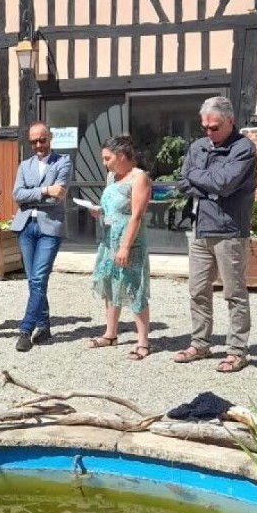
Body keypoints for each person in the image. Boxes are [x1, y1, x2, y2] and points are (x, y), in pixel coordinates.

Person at [174, 95, 257, 374]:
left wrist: (206, 181)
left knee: (234, 293)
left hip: (230, 230)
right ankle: (200, 343)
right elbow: (183, 182)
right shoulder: (198, 147)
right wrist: (209, 186)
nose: (209, 132)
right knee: (197, 290)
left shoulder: (243, 148)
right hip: (201, 229)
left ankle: (237, 350)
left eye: (215, 127)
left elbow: (225, 183)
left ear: (231, 121)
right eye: (205, 127)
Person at [86, 135, 152, 359]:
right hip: (109, 240)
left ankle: (143, 341)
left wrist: (125, 247)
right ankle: (110, 334)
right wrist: (99, 212)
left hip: (130, 242)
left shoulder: (139, 178)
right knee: (109, 284)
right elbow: (112, 209)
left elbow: (136, 216)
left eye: (107, 158)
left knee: (134, 287)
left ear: (121, 156)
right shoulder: (112, 178)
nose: (104, 163)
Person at [10, 122, 71, 352]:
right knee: (33, 279)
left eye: (42, 140)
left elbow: (59, 196)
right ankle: (44, 326)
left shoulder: (63, 161)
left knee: (38, 278)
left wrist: (31, 195)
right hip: (26, 227)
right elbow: (17, 194)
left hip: (49, 228)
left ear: (50, 138)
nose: (38, 145)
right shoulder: (24, 165)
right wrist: (45, 190)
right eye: (33, 141)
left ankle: (25, 329)